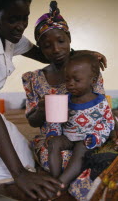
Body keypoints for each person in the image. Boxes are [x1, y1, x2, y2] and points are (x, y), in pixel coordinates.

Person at [0, 0, 65, 200]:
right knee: (9, 175)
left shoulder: (9, 34)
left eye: (24, 17)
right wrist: (20, 175)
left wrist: (84, 55)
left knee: (28, 159)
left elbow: (44, 52)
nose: (20, 26)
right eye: (13, 19)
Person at [22, 0, 109, 199]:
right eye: (47, 46)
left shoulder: (88, 70)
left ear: (69, 38)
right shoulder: (32, 78)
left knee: (92, 153)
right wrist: (42, 108)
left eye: (61, 41)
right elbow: (32, 121)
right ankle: (66, 183)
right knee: (61, 156)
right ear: (40, 49)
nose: (56, 49)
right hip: (54, 138)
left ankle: (67, 184)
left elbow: (100, 107)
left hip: (87, 134)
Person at [44, 54, 115, 189]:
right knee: (54, 143)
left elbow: (108, 123)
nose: (70, 84)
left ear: (93, 81)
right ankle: (54, 178)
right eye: (67, 80)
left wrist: (96, 137)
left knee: (81, 150)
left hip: (87, 139)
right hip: (68, 137)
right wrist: (53, 132)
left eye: (76, 80)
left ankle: (61, 184)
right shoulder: (65, 99)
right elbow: (55, 121)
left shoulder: (100, 103)